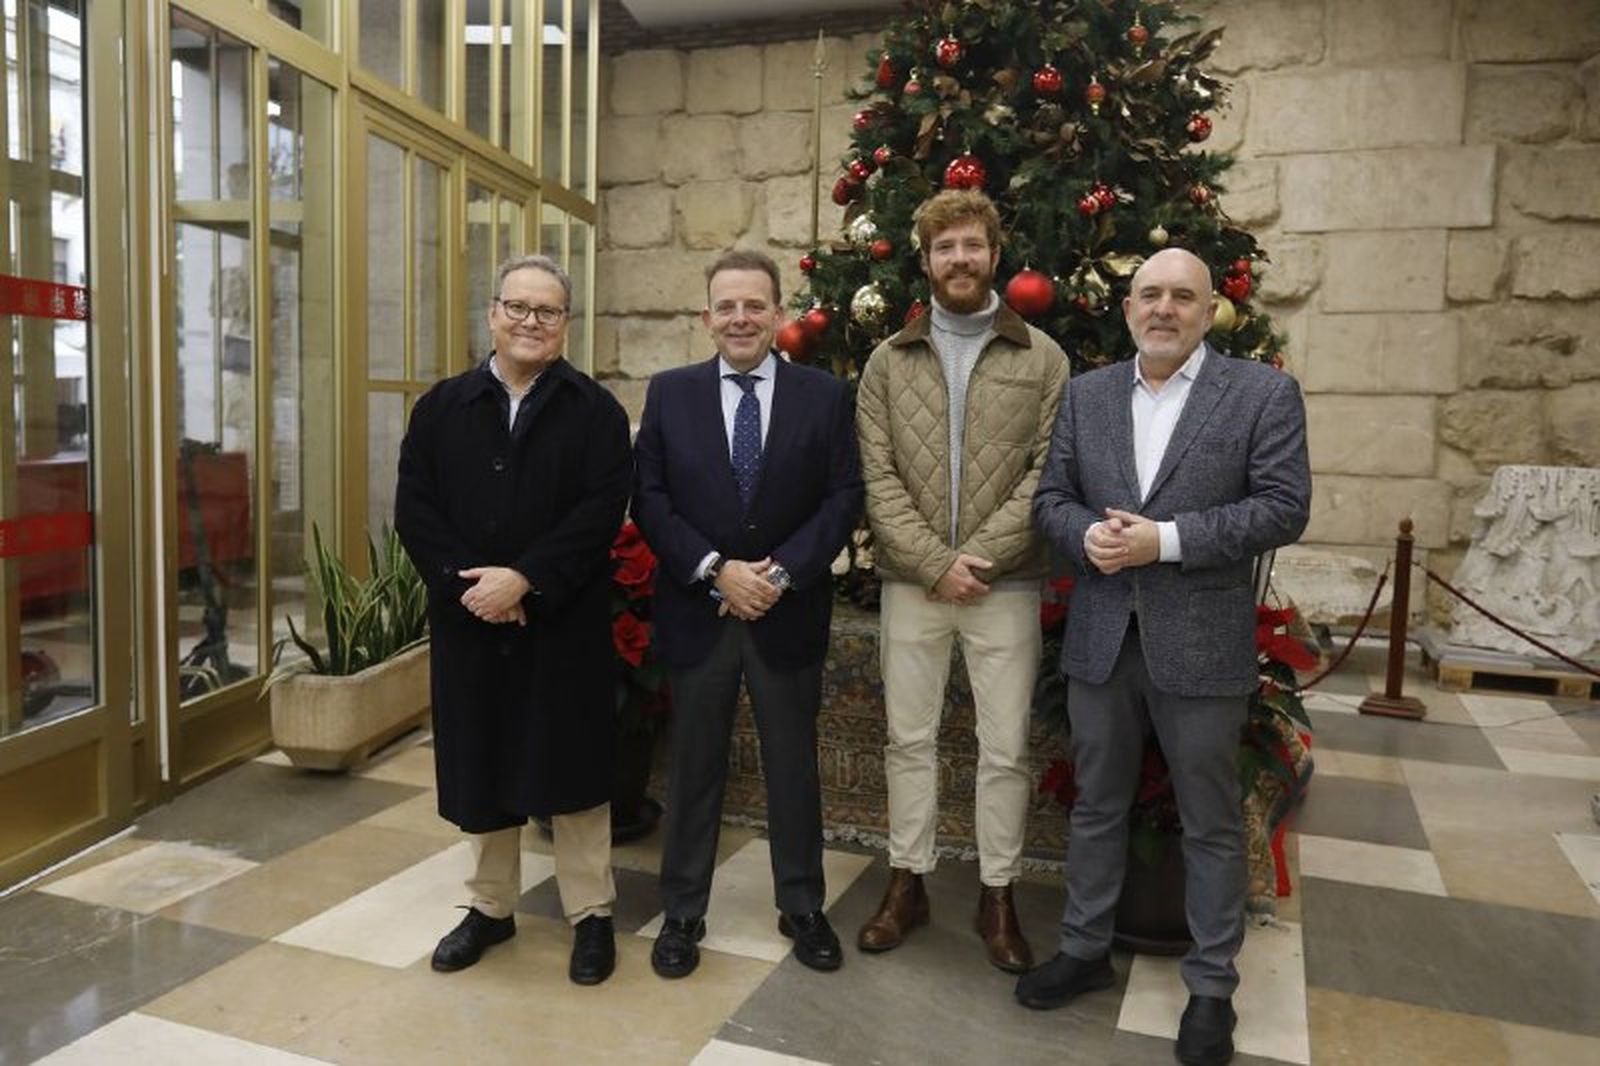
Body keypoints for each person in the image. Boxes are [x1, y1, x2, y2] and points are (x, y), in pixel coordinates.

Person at [1023, 248, 1311, 1066]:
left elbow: (1284, 506)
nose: (1163, 309)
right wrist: (1082, 534)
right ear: (1127, 309)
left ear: (1209, 309)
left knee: (1211, 820)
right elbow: (1052, 498)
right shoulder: (1086, 395)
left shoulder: (1261, 393)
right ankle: (1083, 950)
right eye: (1149, 294)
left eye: (1182, 296)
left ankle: (1212, 988)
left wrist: (1167, 541)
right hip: (1103, 637)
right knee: (1096, 805)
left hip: (1203, 643)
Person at [395, 254, 631, 986]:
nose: (531, 322)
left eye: (548, 311)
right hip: (472, 625)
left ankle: (591, 916)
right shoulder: (440, 408)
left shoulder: (596, 412)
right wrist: (472, 588)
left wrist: (525, 579)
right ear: (493, 314)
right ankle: (490, 909)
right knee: (484, 763)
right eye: (518, 308)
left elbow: (600, 515)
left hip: (562, 624)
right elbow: (415, 509)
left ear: (565, 324)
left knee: (576, 771)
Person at [632, 248, 863, 980]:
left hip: (786, 612)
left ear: (778, 316)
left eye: (755, 305)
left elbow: (842, 498)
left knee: (793, 767)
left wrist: (783, 573)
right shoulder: (670, 395)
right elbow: (651, 500)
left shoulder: (825, 397)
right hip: (701, 611)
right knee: (694, 766)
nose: (741, 318)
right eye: (726, 306)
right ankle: (682, 912)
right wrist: (714, 571)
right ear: (706, 319)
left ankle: (801, 905)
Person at [854, 189, 1069, 973]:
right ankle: (907, 882)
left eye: (972, 245)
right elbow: (877, 476)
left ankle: (998, 894)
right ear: (926, 259)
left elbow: (1047, 474)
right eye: (945, 248)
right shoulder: (887, 360)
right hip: (914, 585)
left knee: (1004, 748)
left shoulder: (1042, 358)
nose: (960, 260)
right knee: (907, 739)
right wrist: (933, 563)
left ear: (994, 255)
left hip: (1005, 584)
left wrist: (974, 558)